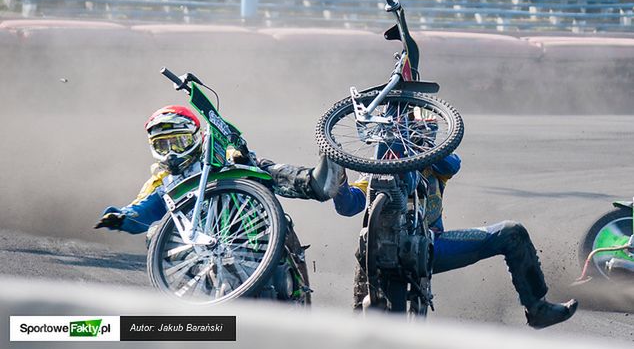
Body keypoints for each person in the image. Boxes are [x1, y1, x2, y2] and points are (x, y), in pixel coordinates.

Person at [332, 115, 578, 329]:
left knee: (512, 232)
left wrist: (420, 147)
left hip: (431, 247)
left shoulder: (436, 167)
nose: (420, 139)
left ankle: (537, 308)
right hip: (375, 254)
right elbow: (347, 206)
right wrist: (338, 177)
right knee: (361, 327)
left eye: (423, 134)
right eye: (414, 133)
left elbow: (451, 163)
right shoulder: (376, 172)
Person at [95, 105, 343, 300]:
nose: (171, 152)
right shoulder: (162, 182)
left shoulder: (216, 154)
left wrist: (242, 159)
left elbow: (249, 163)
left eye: (178, 142)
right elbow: (143, 208)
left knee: (259, 166)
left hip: (252, 230)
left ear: (195, 137)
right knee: (153, 233)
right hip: (204, 253)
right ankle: (201, 291)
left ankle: (315, 182)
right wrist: (122, 217)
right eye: (163, 145)